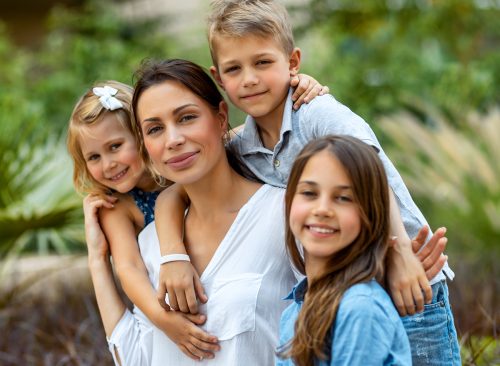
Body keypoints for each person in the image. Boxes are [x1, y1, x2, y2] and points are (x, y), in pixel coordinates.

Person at [156, 1, 461, 365]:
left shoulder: (317, 114)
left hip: (409, 278)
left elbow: (373, 173)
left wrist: (399, 255)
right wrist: (173, 254)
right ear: (219, 79)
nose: (249, 78)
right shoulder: (243, 148)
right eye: (234, 69)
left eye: (263, 62)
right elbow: (175, 191)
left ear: (294, 62)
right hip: (338, 295)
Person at [69, 75, 326, 363]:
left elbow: (265, 127)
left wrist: (299, 87)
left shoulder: (275, 212)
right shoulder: (121, 210)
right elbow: (128, 270)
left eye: (116, 146)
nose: (109, 164)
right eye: (93, 157)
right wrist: (162, 318)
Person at [131, 58, 297, 365]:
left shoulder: (286, 215)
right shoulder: (150, 242)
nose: (173, 140)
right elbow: (139, 356)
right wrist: (98, 259)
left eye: (186, 118)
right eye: (155, 129)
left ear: (221, 118)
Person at [277, 135, 412, 365]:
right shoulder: (294, 310)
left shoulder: (360, 307)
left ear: (370, 213)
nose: (322, 209)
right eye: (309, 193)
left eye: (343, 198)